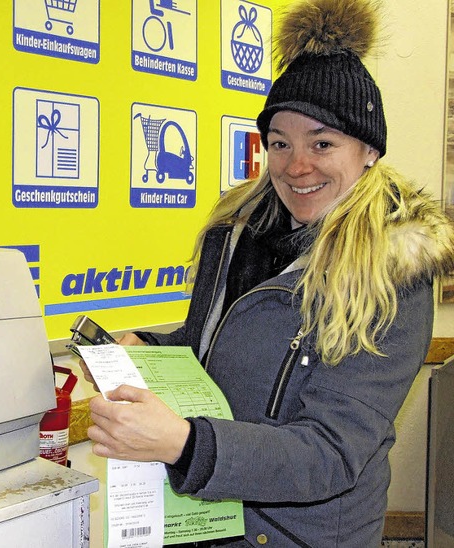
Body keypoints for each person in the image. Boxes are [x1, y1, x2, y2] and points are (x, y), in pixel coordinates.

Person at [85, 0, 454, 546]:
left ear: (369, 149)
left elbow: (330, 453)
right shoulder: (235, 233)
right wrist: (154, 351)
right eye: (279, 143)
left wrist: (186, 445)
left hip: (298, 535)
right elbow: (217, 350)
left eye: (322, 143)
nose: (296, 165)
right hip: (210, 517)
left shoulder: (393, 268)